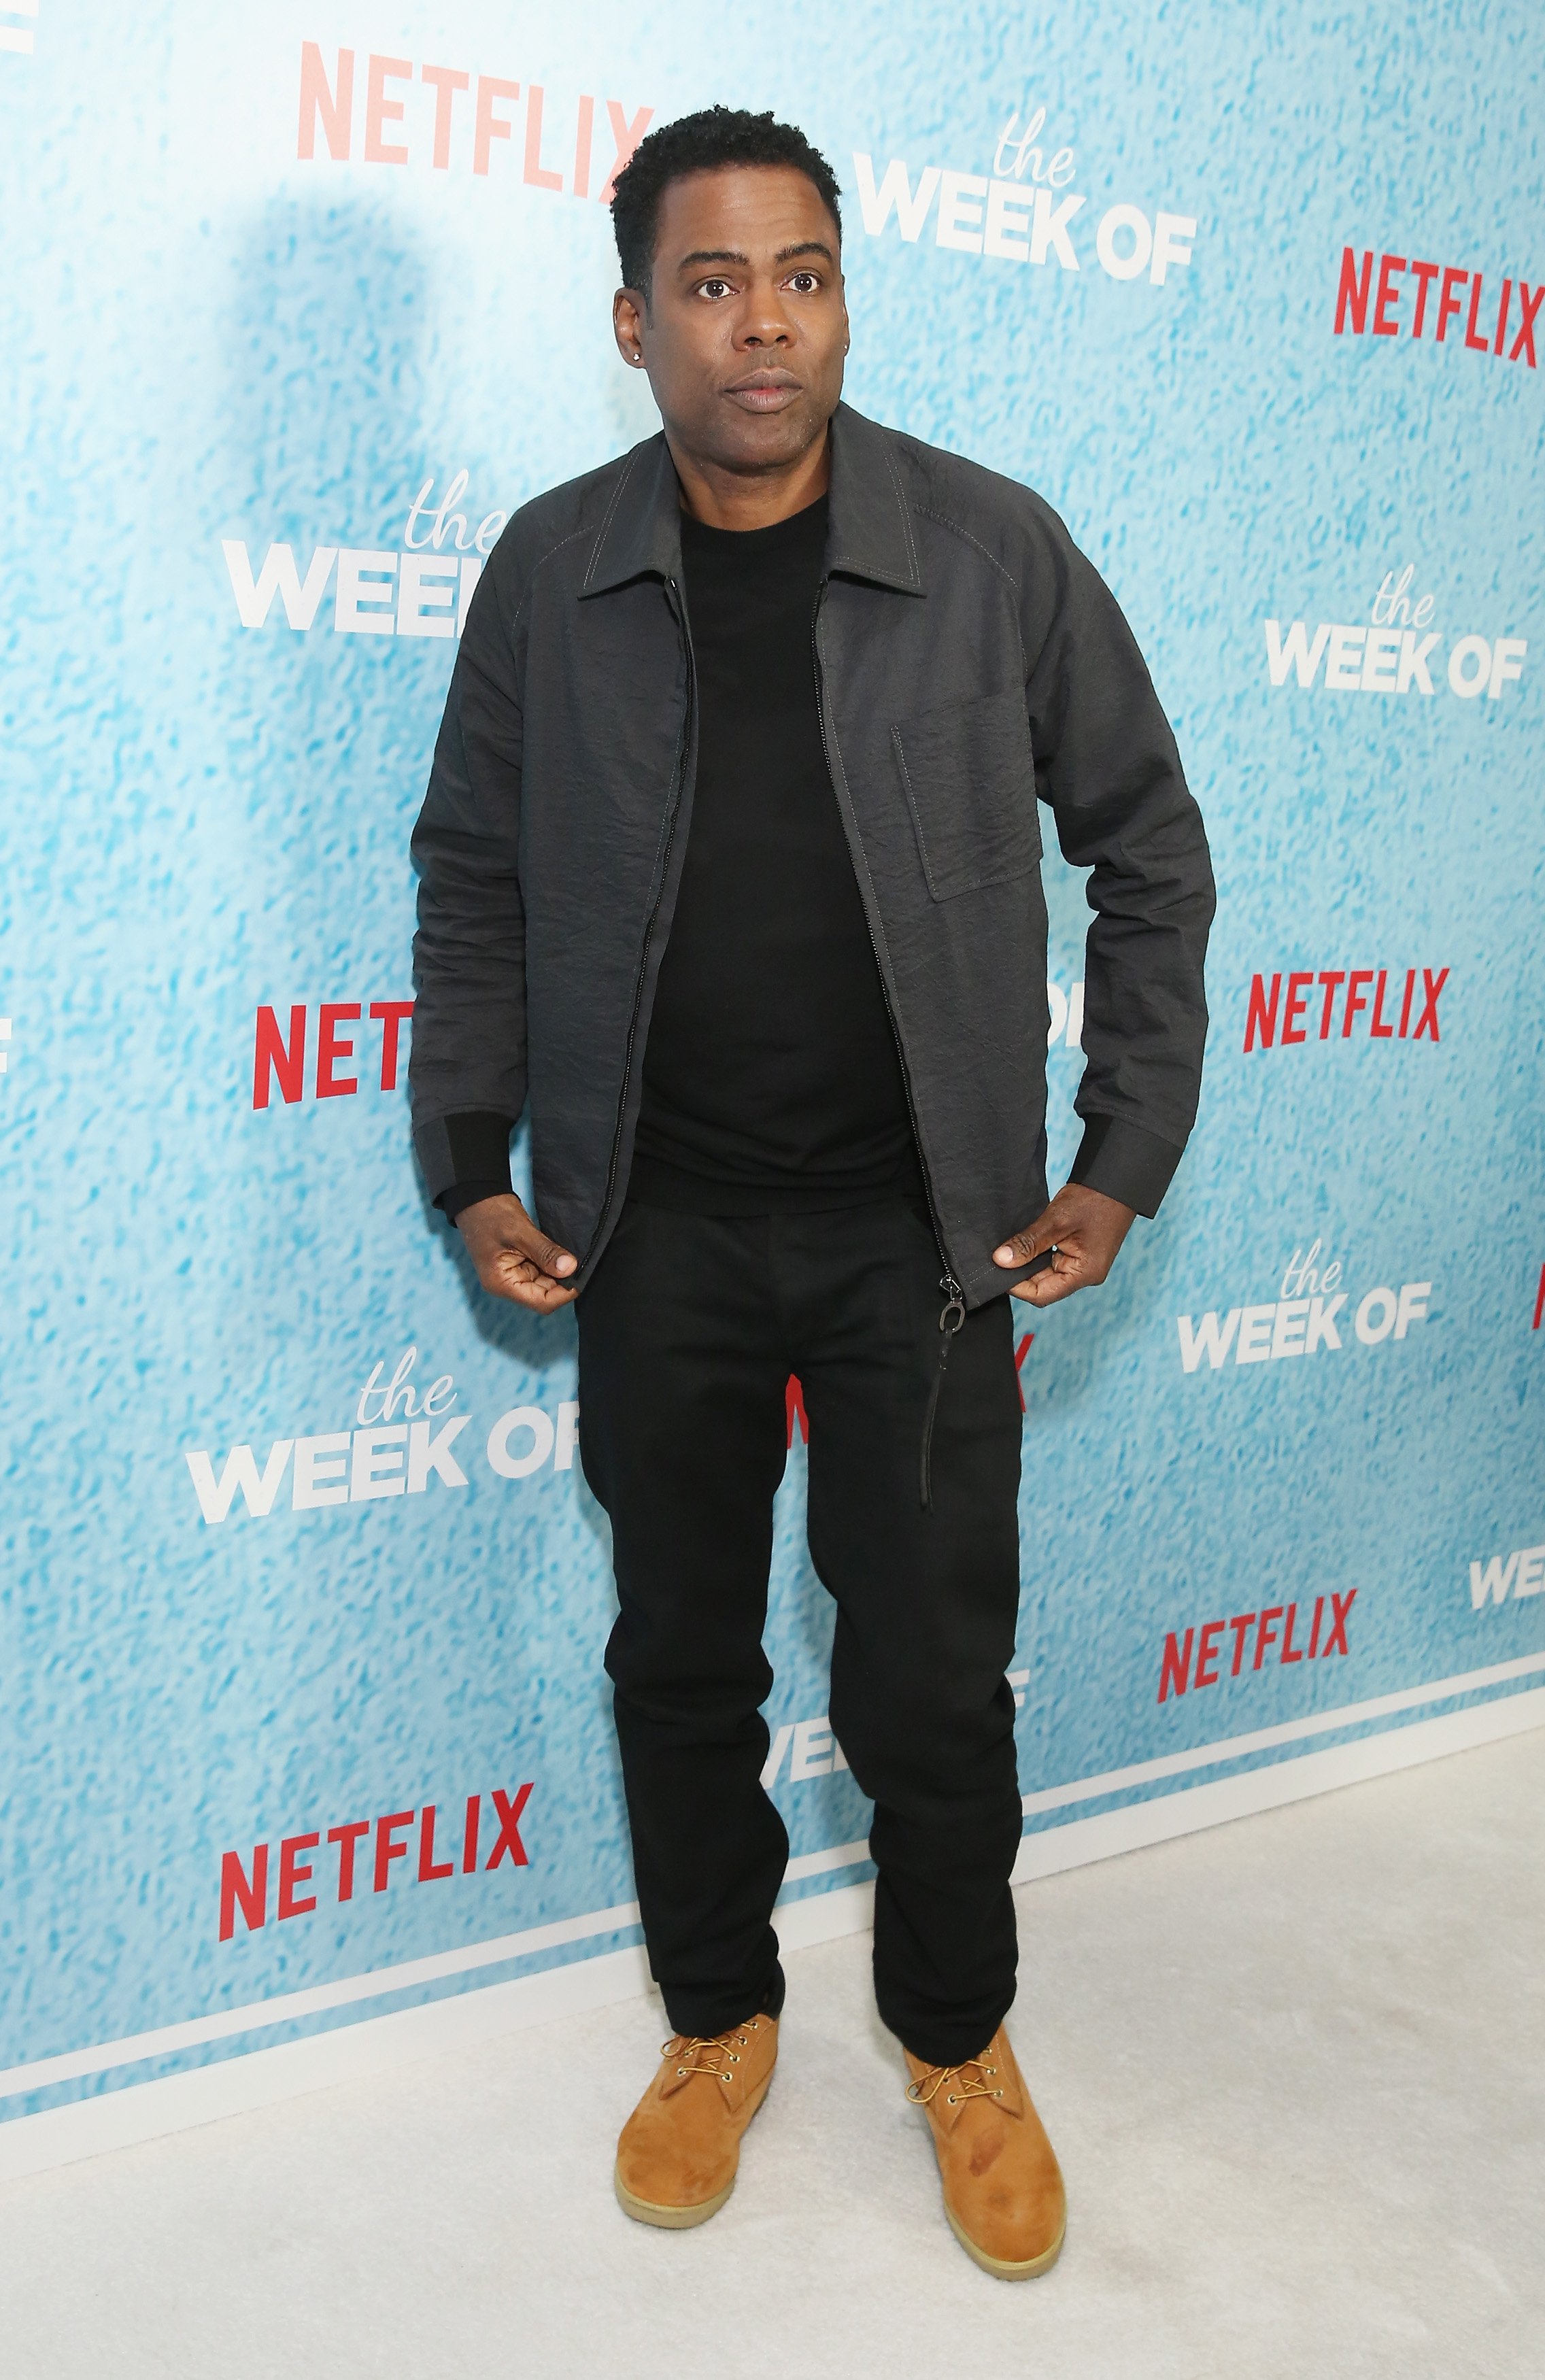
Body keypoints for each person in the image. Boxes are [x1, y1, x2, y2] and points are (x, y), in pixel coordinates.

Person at [409, 106, 1215, 2281]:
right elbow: (471, 872)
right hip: (650, 1227)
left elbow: (1148, 844)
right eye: (711, 284)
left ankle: (958, 2041)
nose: (763, 327)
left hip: (921, 1236)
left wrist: (1120, 1154)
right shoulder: (551, 571)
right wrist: (468, 1154)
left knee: (929, 1684)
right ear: (633, 320)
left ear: (844, 294)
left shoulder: (993, 549)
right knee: (678, 1654)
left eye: (802, 277)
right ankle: (716, 2018)